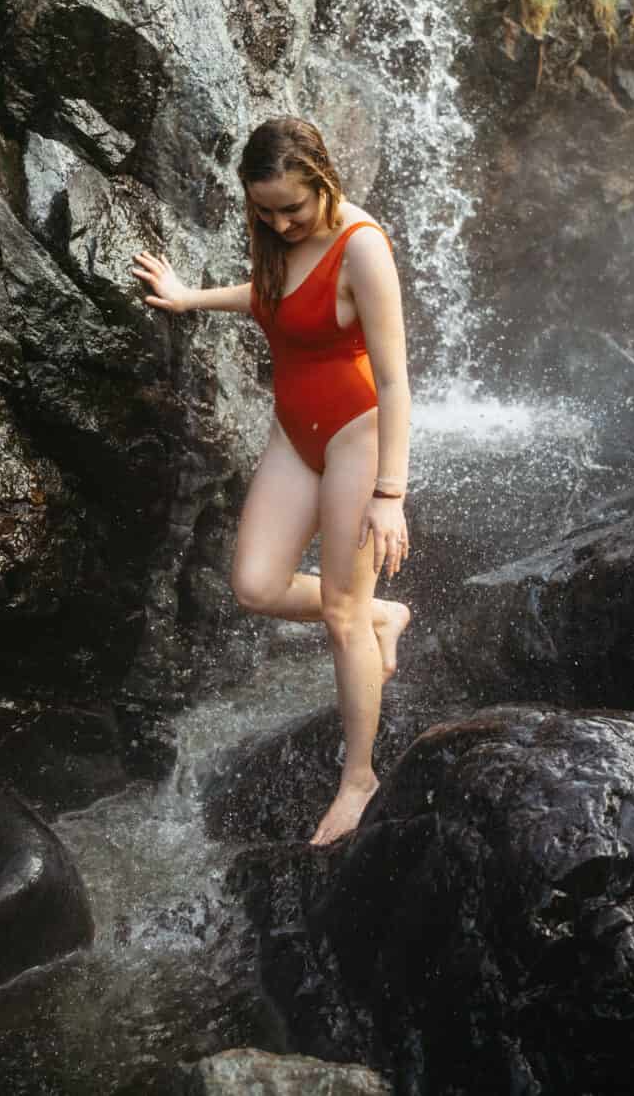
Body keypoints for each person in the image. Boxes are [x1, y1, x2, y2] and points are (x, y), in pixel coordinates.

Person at [132, 116, 411, 845]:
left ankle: (359, 777)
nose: (283, 222)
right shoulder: (274, 239)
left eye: (294, 206)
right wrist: (188, 296)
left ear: (322, 178)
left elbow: (395, 379)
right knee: (254, 585)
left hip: (357, 436)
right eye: (267, 210)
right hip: (294, 432)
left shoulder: (363, 248)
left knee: (340, 617)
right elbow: (268, 300)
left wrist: (391, 494)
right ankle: (383, 614)